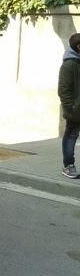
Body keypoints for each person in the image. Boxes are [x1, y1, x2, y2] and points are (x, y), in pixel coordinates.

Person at [58, 33, 80, 179]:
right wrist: (71, 108)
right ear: (78, 47)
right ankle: (68, 166)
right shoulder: (69, 64)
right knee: (71, 135)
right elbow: (63, 90)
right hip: (75, 110)